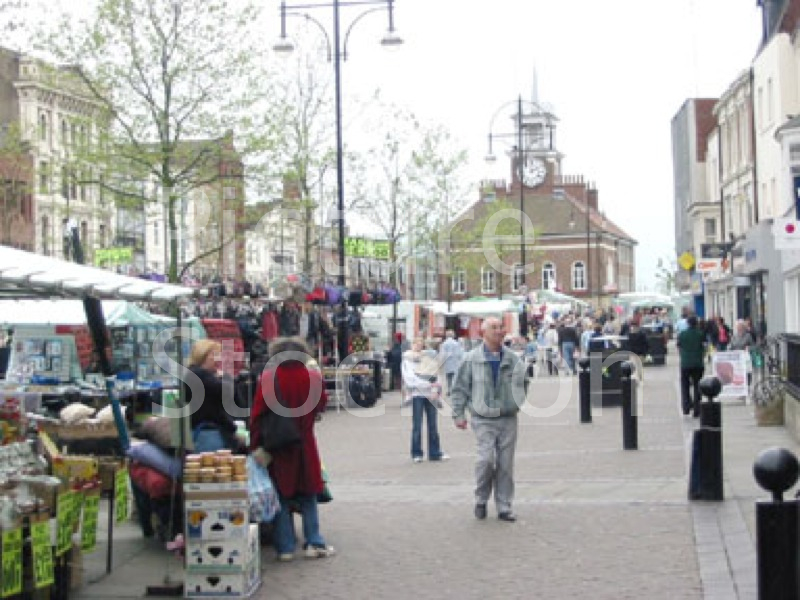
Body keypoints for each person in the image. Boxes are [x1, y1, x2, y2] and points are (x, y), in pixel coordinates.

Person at [250, 336, 334, 561]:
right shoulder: (313, 377)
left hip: (278, 446)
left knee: (282, 497)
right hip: (305, 442)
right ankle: (314, 542)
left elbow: (257, 415)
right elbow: (321, 404)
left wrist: (255, 444)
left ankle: (285, 547)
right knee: (308, 495)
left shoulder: (269, 378)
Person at [451, 317, 527, 523]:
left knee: (505, 464)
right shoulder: (470, 359)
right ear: (483, 332)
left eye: (501, 327)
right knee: (486, 460)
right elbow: (459, 388)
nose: (499, 331)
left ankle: (504, 505)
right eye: (494, 327)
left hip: (507, 417)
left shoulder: (513, 359)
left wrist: (515, 402)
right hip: (482, 417)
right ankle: (481, 498)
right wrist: (458, 414)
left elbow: (523, 383)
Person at [186, 340, 241, 452]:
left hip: (203, 432)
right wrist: (226, 377)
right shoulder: (200, 375)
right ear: (203, 355)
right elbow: (229, 393)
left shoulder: (194, 374)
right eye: (215, 355)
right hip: (208, 433)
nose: (218, 359)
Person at [402, 338, 448, 463]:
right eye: (416, 344)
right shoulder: (407, 360)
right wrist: (427, 384)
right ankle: (416, 453)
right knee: (417, 425)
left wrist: (435, 389)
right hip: (417, 395)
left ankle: (435, 452)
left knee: (433, 425)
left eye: (420, 344)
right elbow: (409, 378)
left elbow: (436, 374)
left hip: (431, 395)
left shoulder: (428, 358)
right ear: (412, 345)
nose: (418, 346)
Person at [677, 316, 706, 417]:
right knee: (698, 386)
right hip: (698, 363)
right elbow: (704, 346)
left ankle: (686, 406)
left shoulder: (682, 334)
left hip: (685, 363)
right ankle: (697, 409)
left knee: (685, 385)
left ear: (688, 323)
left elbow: (679, 346)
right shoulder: (700, 334)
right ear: (696, 323)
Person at [439, 330, 463, 397]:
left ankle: (449, 390)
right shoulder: (456, 343)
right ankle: (454, 390)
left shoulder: (444, 344)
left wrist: (441, 363)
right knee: (455, 377)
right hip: (455, 363)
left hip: (447, 363)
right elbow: (460, 354)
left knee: (448, 377)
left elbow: (442, 355)